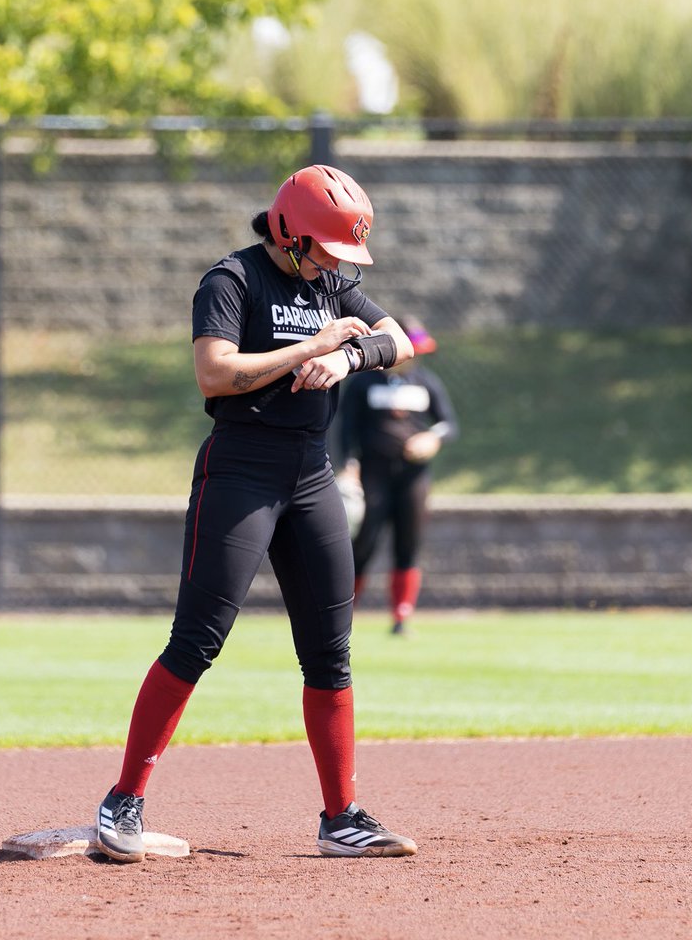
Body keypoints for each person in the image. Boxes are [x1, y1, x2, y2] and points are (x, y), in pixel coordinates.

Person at [94, 164, 419, 863]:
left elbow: (401, 343)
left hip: (311, 474)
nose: (338, 264)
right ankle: (123, 798)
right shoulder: (232, 281)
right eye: (329, 248)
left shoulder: (331, 281)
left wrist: (353, 355)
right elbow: (215, 373)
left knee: (331, 653)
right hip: (240, 469)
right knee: (197, 640)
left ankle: (341, 817)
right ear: (293, 234)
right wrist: (313, 347)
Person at [339, 316, 458, 635]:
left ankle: (402, 616)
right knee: (363, 544)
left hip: (413, 476)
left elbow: (448, 424)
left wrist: (432, 438)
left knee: (409, 542)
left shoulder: (426, 381)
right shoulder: (364, 382)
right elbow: (345, 428)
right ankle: (342, 615)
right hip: (372, 474)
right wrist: (349, 463)